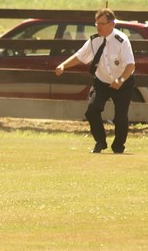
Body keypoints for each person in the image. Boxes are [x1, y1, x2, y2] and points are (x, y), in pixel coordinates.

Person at [55, 8, 136, 154]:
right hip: (102, 81)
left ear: (111, 24)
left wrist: (121, 79)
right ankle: (100, 141)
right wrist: (63, 65)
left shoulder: (122, 40)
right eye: (96, 23)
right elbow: (80, 56)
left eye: (102, 23)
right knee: (92, 111)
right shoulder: (94, 40)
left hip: (123, 82)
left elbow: (131, 65)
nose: (98, 26)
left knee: (120, 117)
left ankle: (118, 146)